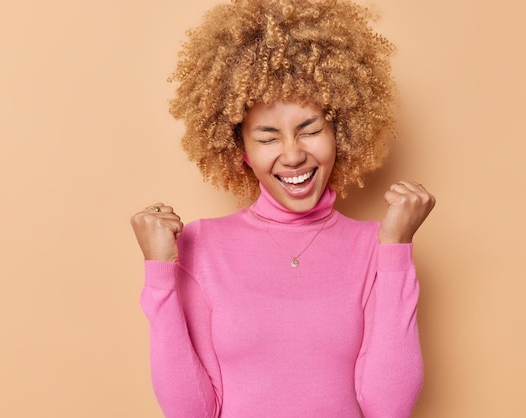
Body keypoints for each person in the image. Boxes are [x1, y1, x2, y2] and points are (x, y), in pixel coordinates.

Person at [130, 0, 435, 417]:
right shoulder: (200, 245)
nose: (293, 155)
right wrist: (159, 276)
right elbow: (191, 412)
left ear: (340, 132)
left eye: (310, 130)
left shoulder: (375, 247)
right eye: (268, 137)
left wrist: (396, 249)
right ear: (241, 150)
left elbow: (388, 407)